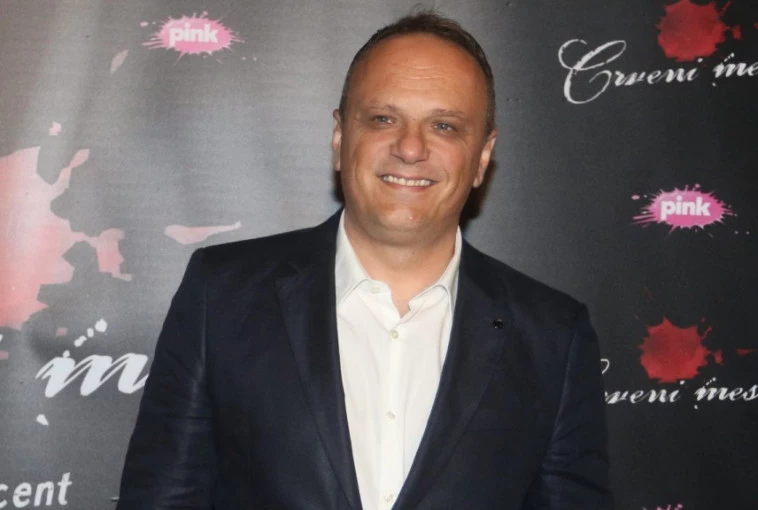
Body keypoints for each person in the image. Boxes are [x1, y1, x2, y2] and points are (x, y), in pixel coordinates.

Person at [117, 11, 612, 510]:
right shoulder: (222, 296)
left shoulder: (553, 337)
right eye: (383, 119)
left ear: (482, 156)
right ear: (340, 138)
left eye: (444, 125)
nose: (410, 148)